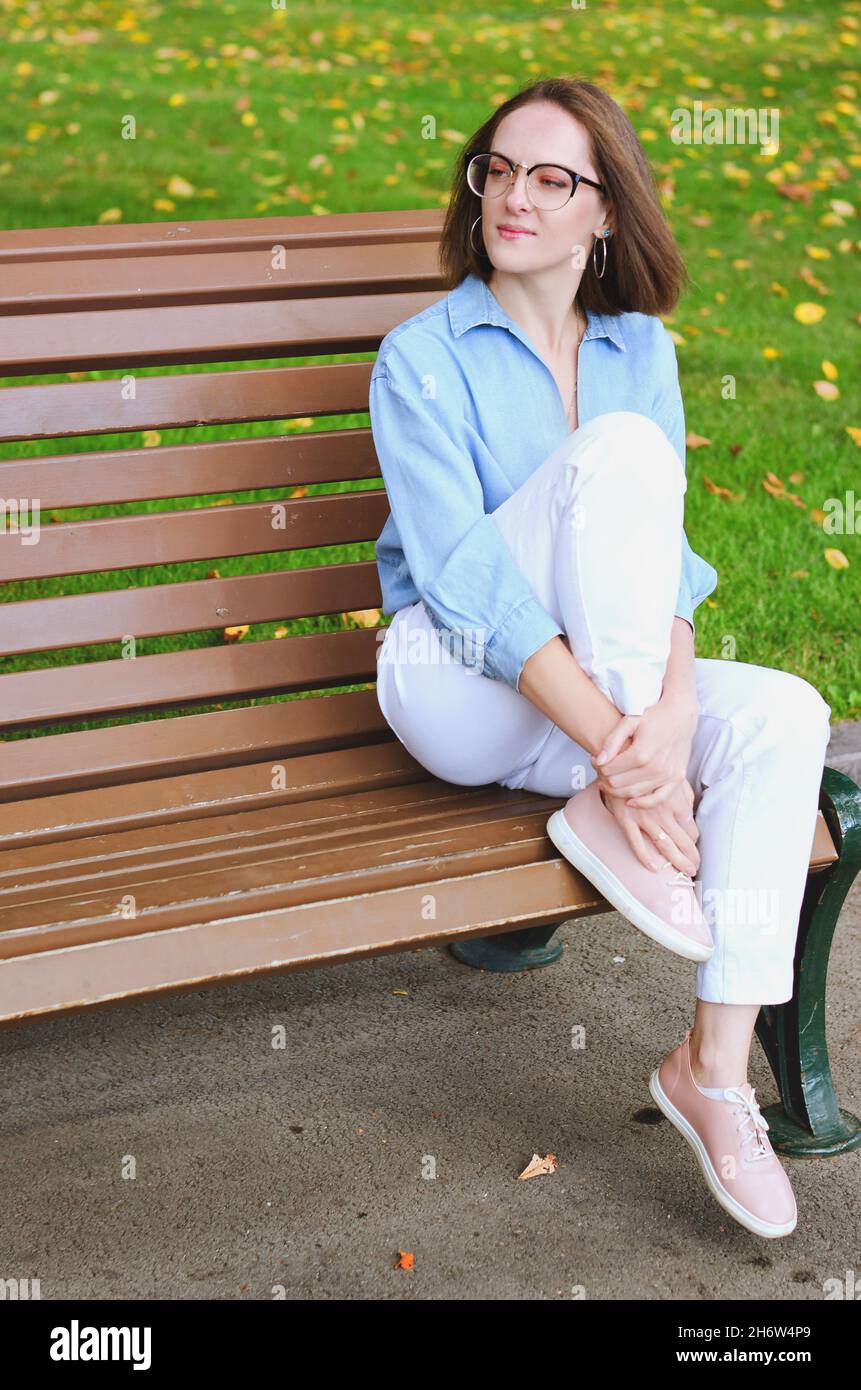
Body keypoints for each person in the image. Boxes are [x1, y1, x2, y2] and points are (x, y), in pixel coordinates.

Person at [367, 77, 832, 1239]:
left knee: (785, 711)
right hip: (454, 684)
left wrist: (666, 716)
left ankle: (713, 1073)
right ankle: (619, 799)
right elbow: (464, 584)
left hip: (593, 714)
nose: (515, 196)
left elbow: (664, 563)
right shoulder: (420, 356)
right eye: (499, 169)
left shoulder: (641, 350)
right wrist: (636, 761)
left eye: (552, 178)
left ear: (606, 213)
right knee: (614, 454)